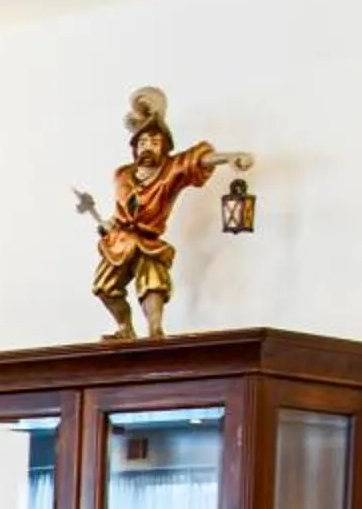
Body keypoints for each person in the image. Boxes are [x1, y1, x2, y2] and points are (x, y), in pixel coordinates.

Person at [79, 87, 253, 340]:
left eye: (154, 142)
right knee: (105, 287)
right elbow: (122, 209)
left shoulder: (170, 171)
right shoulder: (122, 175)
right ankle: (124, 328)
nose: (148, 147)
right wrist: (109, 223)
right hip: (119, 241)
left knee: (153, 282)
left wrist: (230, 158)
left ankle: (155, 331)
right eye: (143, 142)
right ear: (135, 148)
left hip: (148, 239)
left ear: (164, 148)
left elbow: (197, 160)